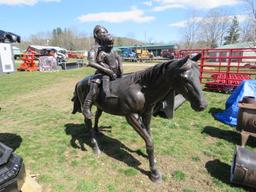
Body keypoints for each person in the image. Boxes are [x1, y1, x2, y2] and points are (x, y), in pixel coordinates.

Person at [83, 25, 123, 119]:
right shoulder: (94, 48)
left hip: (113, 72)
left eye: (105, 32)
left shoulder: (108, 47)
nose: (104, 34)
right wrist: (108, 71)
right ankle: (86, 107)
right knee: (94, 86)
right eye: (102, 32)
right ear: (96, 35)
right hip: (101, 73)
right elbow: (91, 62)